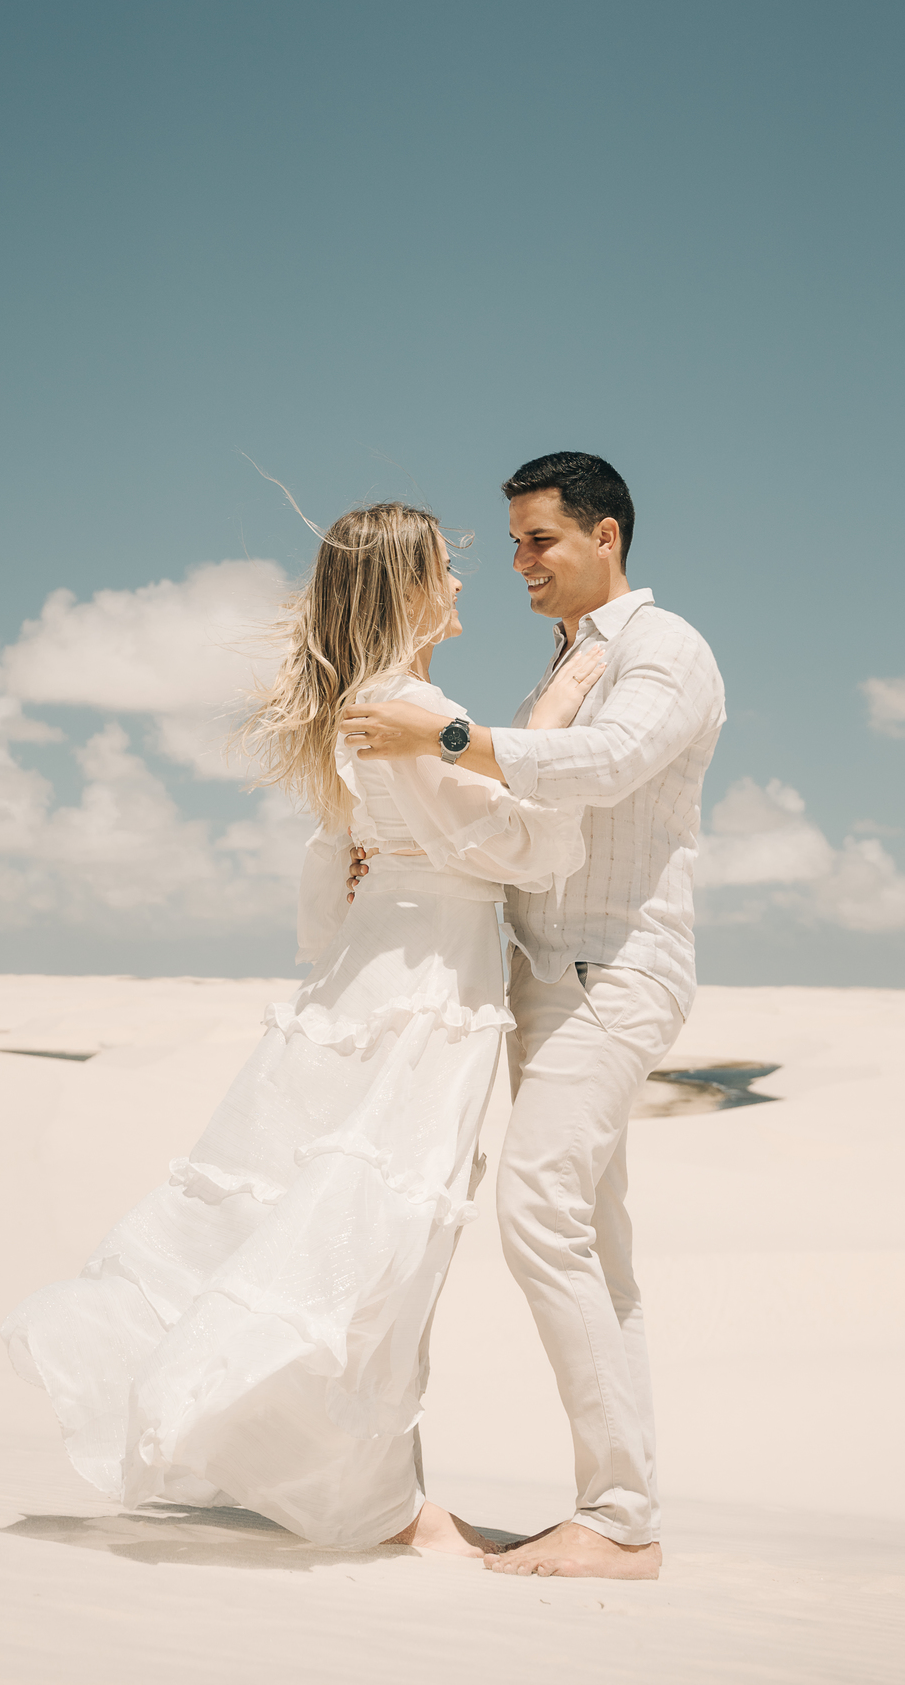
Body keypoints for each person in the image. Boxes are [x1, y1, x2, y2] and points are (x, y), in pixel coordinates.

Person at [1, 500, 603, 1556]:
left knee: (350, 1222)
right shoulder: (410, 703)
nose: (462, 580)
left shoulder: (366, 703)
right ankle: (384, 1506)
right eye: (445, 566)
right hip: (423, 996)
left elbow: (334, 891)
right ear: (406, 586)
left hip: (378, 977)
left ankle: (371, 1487)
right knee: (381, 1239)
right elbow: (516, 851)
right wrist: (551, 722)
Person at [341, 452, 726, 1580]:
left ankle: (622, 1522)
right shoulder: (561, 665)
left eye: (539, 539)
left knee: (541, 1212)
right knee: (596, 1246)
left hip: (614, 971)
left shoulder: (665, 649)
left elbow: (603, 765)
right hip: (544, 977)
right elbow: (506, 822)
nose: (517, 562)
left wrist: (446, 739)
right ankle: (621, 1507)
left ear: (607, 536)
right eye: (512, 542)